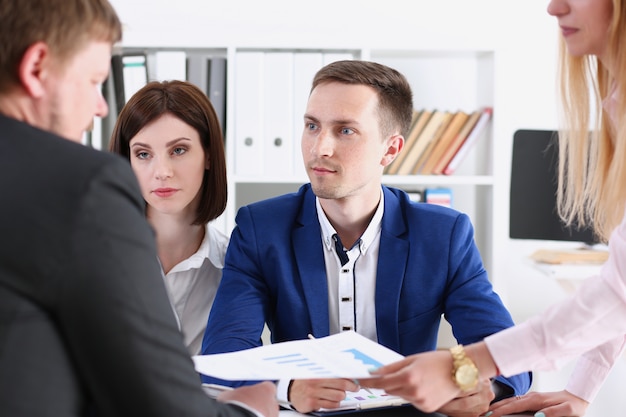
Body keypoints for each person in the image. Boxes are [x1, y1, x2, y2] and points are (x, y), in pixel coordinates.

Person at [201, 59, 531, 417]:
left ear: (390, 150)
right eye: (312, 126)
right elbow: (223, 356)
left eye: (345, 131)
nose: (319, 148)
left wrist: (480, 387)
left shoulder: (443, 235)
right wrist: (287, 387)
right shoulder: (260, 229)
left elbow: (511, 355)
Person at [0, 1, 278, 416]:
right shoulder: (81, 190)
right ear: (37, 67)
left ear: (208, 155)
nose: (99, 107)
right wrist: (251, 411)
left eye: (179, 150)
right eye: (95, 81)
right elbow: (157, 399)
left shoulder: (241, 260)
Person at [361, 1, 626, 417]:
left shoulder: (444, 233)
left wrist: (464, 366)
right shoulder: (617, 106)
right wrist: (581, 390)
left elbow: (617, 295)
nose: (554, 7)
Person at [109, 80, 229, 356]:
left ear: (208, 154)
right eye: (143, 154)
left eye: (178, 150)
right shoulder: (95, 256)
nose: (162, 171)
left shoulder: (234, 265)